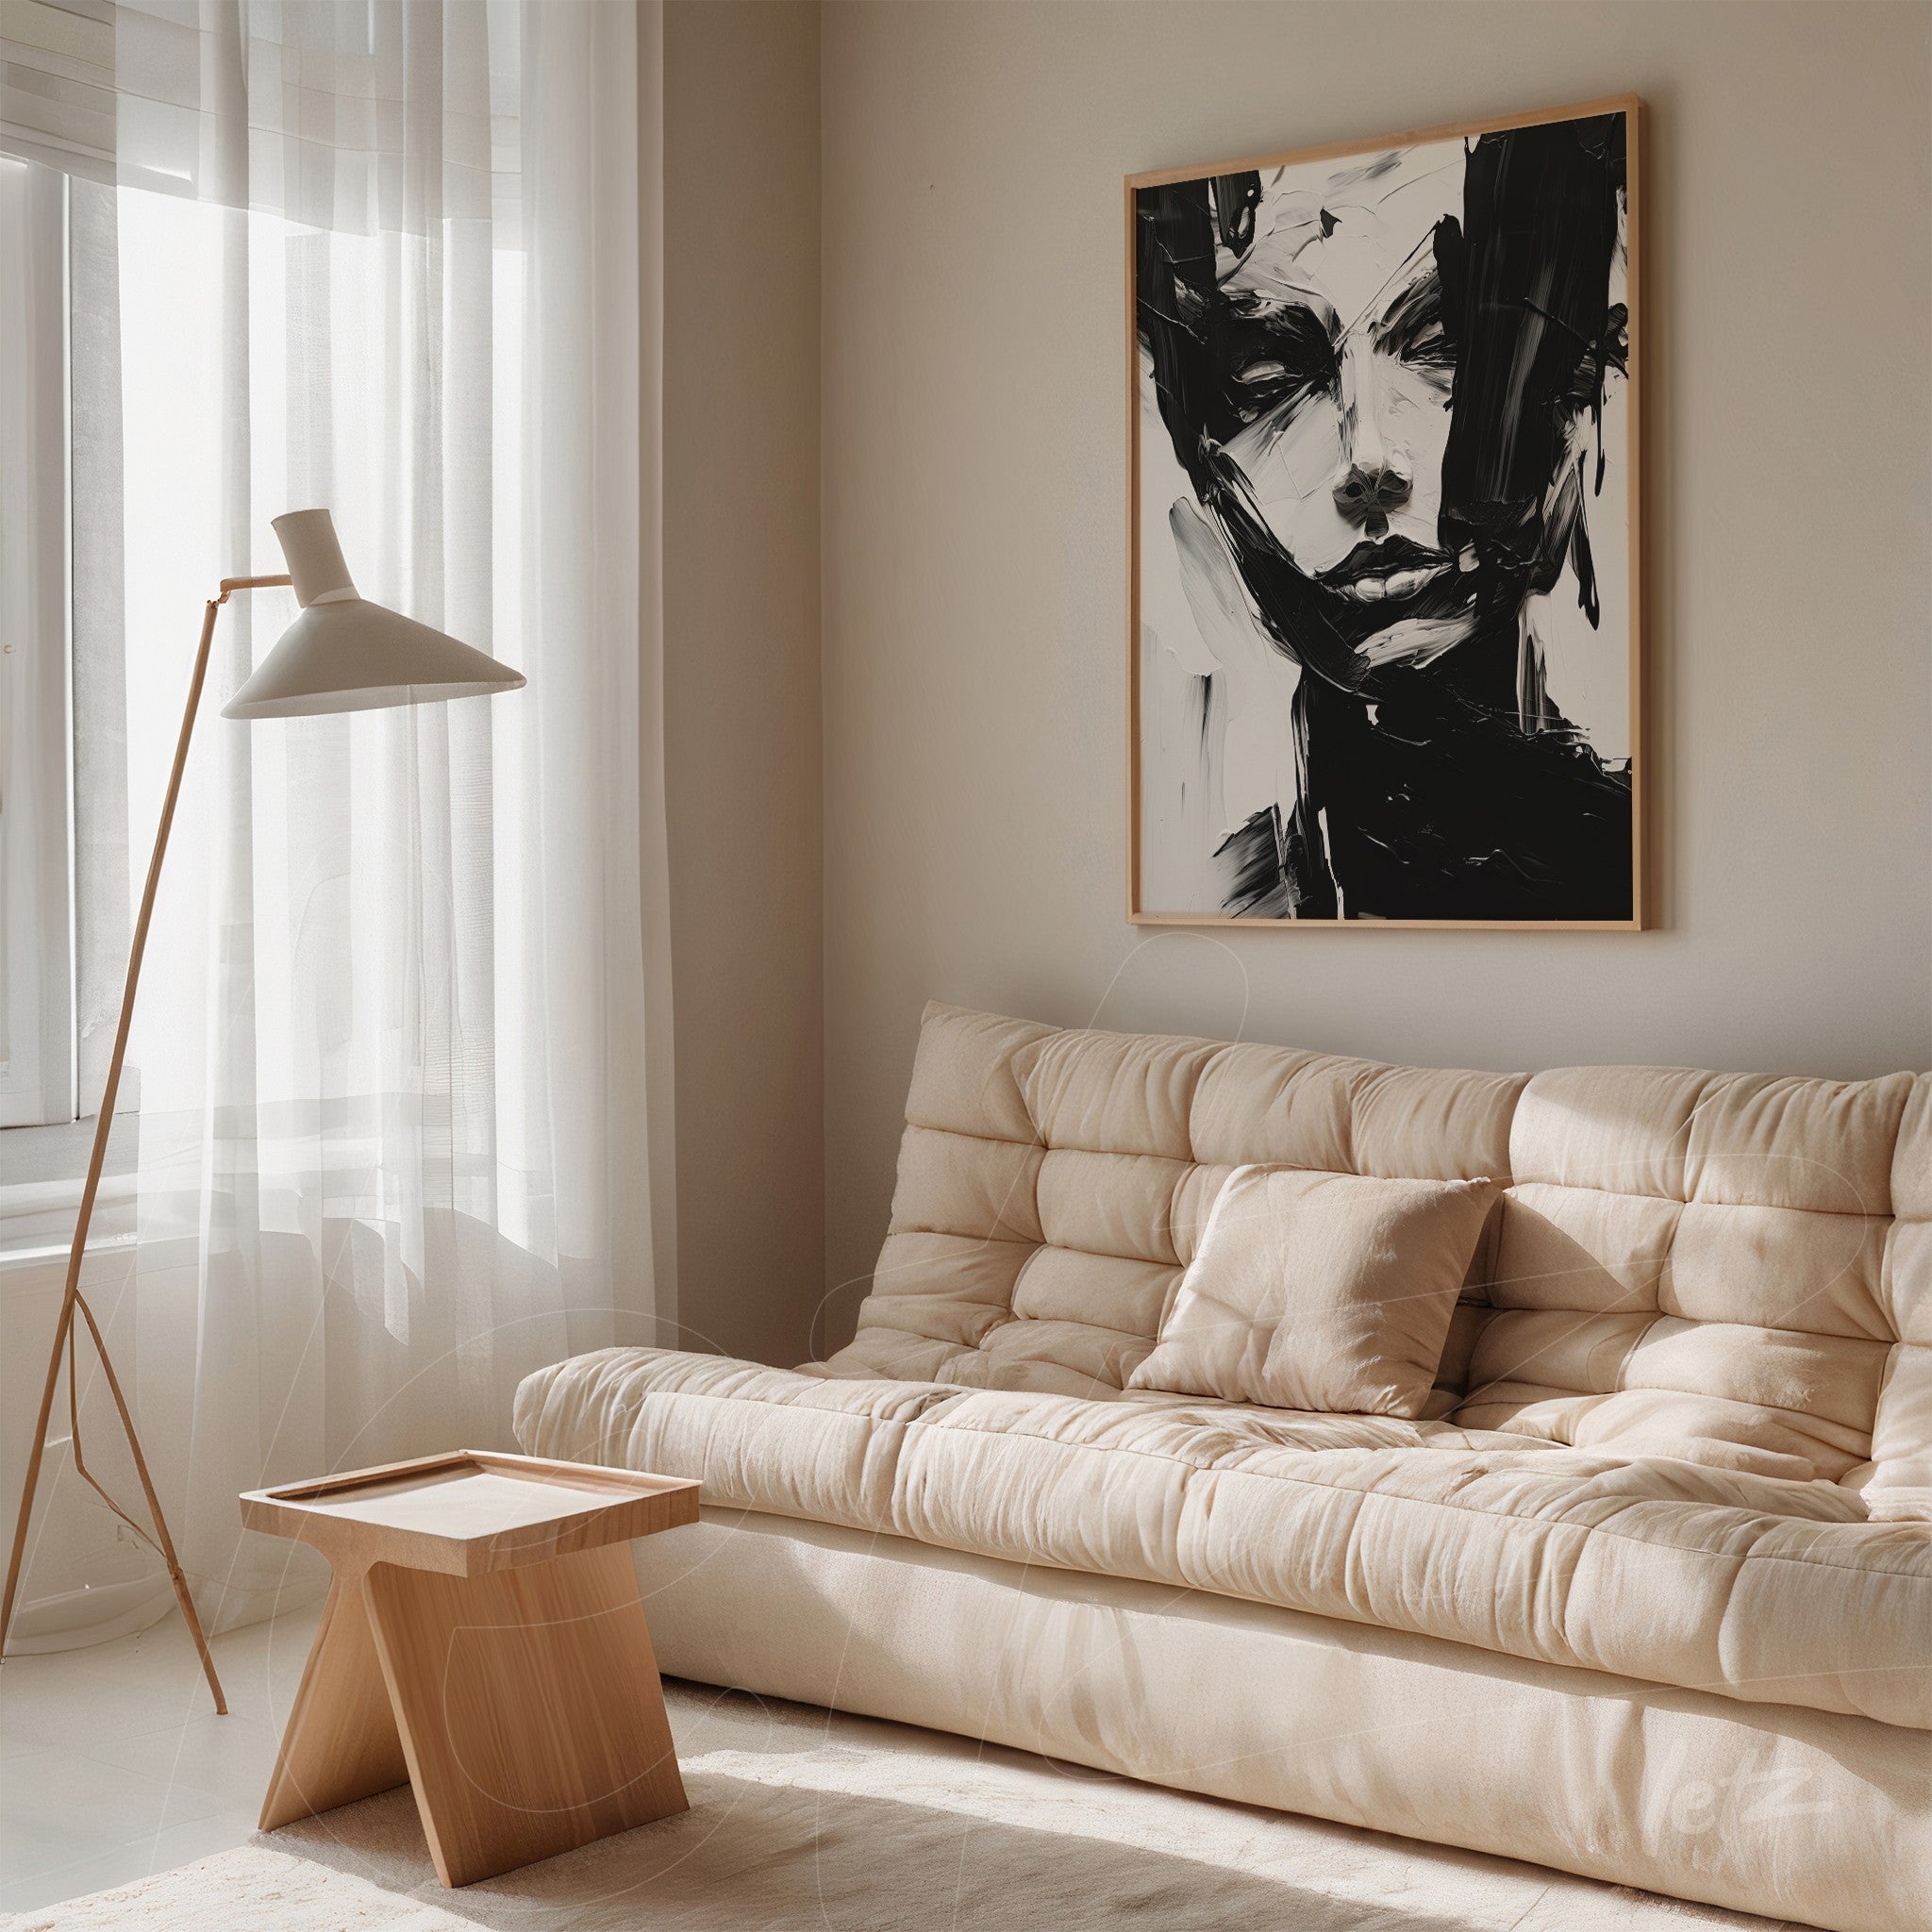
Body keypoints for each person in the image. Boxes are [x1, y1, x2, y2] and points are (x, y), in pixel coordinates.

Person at [1136, 114, 1631, 920]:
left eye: (1445, 351)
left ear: (1576, 396)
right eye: (1268, 380)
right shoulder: (1227, 914)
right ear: (1198, 455)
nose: (1370, 462)